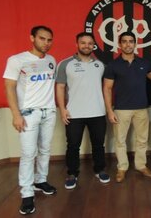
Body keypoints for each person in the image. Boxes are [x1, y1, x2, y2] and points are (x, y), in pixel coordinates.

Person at [3, 25, 57, 215]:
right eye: (42, 38)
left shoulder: (51, 60)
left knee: (45, 149)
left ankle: (40, 180)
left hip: (49, 112)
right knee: (28, 154)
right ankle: (27, 194)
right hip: (28, 114)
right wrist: (16, 114)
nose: (46, 43)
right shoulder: (17, 60)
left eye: (49, 40)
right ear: (32, 38)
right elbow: (9, 87)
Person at [56, 32, 110, 190]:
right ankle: (72, 173)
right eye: (83, 43)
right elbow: (60, 87)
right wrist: (62, 110)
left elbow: (107, 87)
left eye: (90, 43)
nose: (87, 46)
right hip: (74, 114)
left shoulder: (101, 65)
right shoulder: (65, 64)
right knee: (73, 146)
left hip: (98, 113)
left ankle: (100, 170)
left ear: (94, 45)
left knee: (99, 145)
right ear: (77, 44)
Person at [103, 31, 151, 183]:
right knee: (120, 141)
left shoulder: (144, 63)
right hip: (121, 109)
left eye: (131, 41)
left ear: (135, 43)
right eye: (124, 41)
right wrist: (109, 110)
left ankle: (141, 165)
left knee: (142, 139)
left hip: (142, 108)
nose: (128, 44)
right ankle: (122, 168)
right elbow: (107, 88)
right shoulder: (113, 65)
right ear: (119, 44)